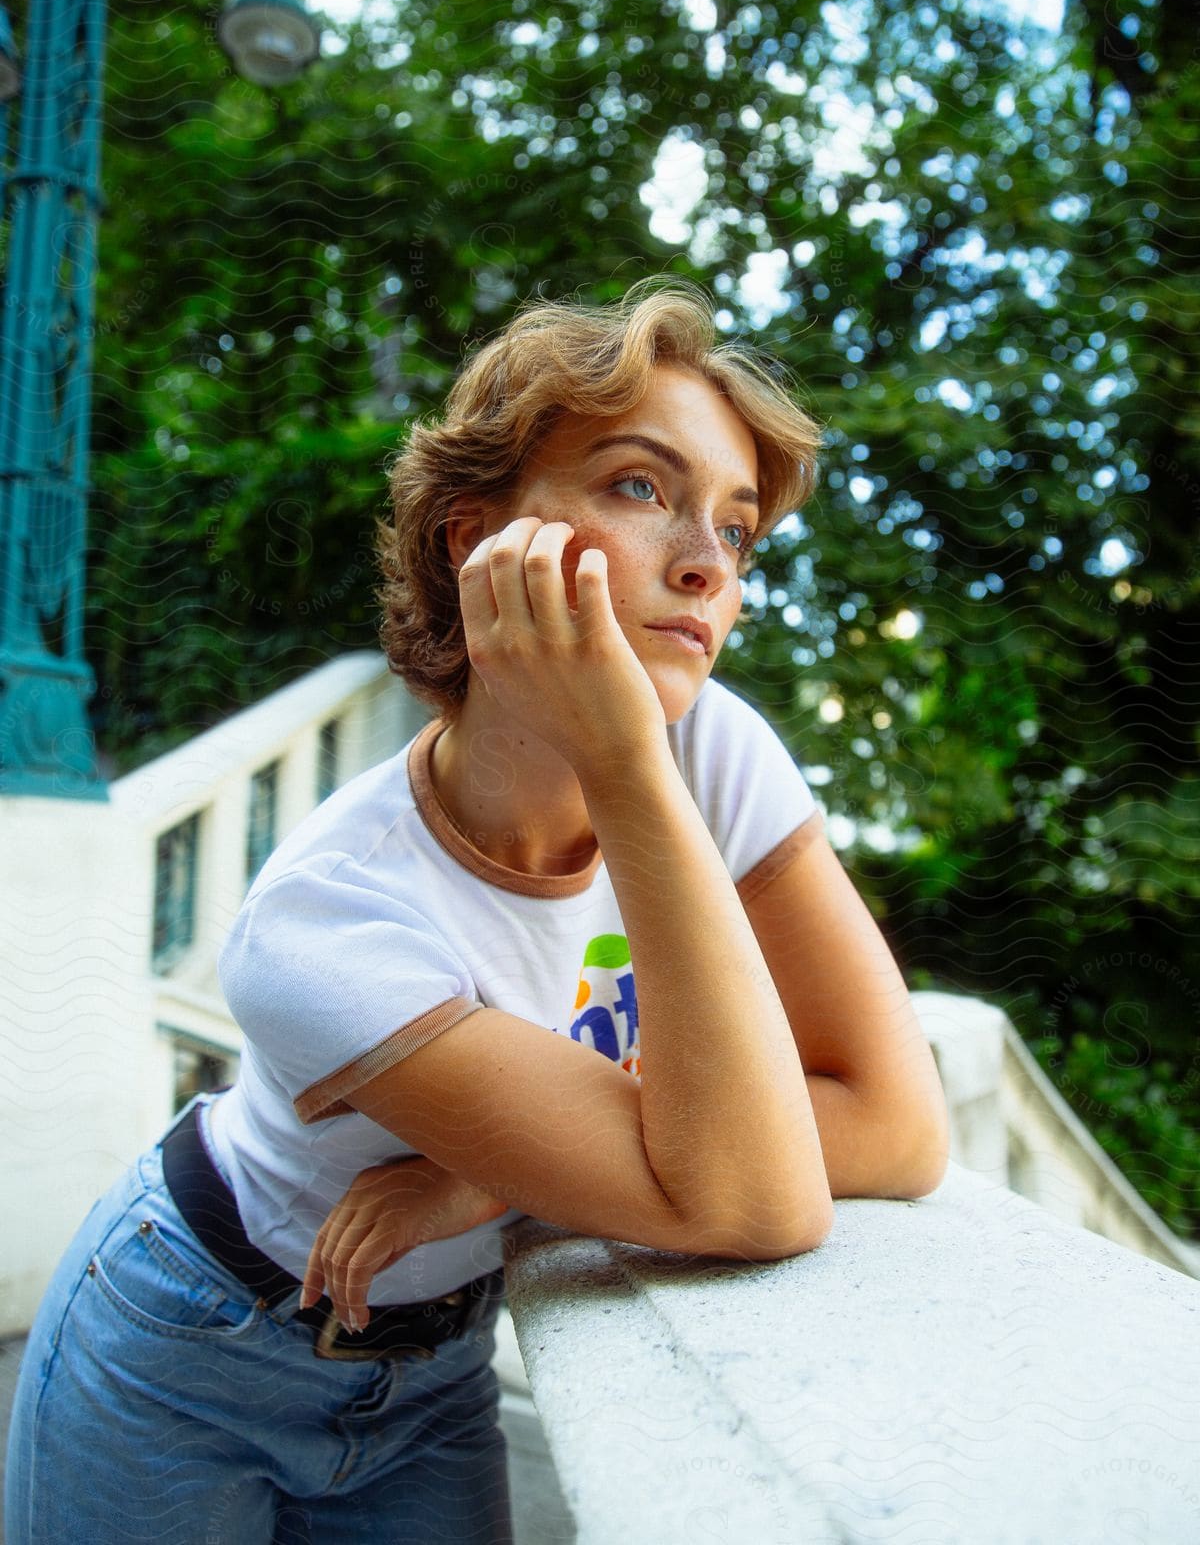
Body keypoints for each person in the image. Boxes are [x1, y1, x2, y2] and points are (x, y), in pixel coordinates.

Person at [5, 276, 844, 1543]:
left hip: (438, 1366)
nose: (703, 566)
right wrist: (621, 760)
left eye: (737, 531)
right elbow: (750, 1196)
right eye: (638, 486)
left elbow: (883, 1128)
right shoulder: (321, 922)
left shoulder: (713, 754)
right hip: (189, 1345)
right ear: (472, 543)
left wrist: (478, 1183)